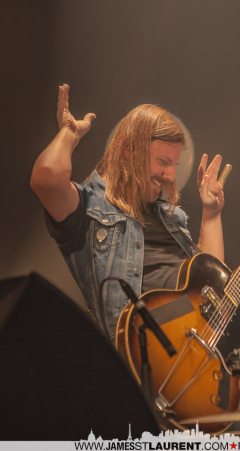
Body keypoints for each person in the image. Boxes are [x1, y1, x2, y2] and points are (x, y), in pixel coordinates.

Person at [30, 84, 226, 342]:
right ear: (128, 150)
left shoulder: (172, 218)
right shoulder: (91, 206)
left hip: (191, 351)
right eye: (164, 162)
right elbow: (47, 179)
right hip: (132, 356)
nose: (170, 176)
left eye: (174, 165)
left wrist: (211, 213)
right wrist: (70, 133)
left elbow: (212, 286)